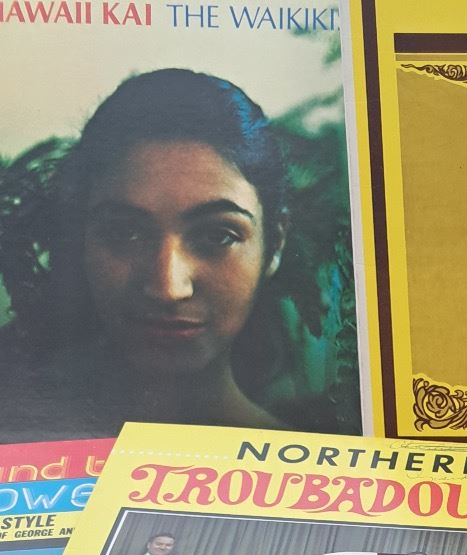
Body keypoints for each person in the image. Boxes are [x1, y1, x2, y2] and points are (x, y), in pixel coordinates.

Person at [0, 70, 297, 437]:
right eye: (125, 233)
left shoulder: (313, 467)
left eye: (217, 236)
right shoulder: (19, 446)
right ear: (81, 239)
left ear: (275, 243)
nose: (168, 288)